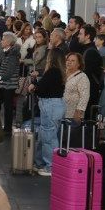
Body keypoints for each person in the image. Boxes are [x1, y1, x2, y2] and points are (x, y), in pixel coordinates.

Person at [30, 40, 65, 175]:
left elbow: (42, 89)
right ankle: (42, 163)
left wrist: (34, 87)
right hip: (57, 105)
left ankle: (51, 166)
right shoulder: (60, 72)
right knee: (50, 135)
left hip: (49, 105)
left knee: (49, 138)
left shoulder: (51, 72)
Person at [61, 48, 90, 123]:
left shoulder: (82, 77)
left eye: (73, 61)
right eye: (68, 60)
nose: (69, 62)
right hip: (59, 112)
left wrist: (79, 112)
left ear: (79, 64)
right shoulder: (62, 74)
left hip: (73, 115)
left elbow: (85, 96)